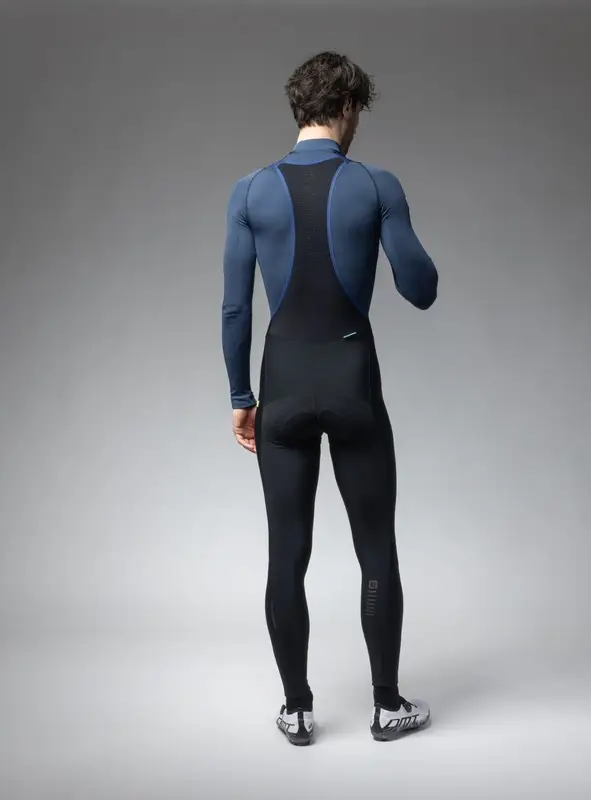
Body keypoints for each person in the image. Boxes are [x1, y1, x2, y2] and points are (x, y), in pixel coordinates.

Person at [221, 51, 438, 745]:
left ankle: (296, 709)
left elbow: (235, 309)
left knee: (286, 554)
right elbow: (421, 288)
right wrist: (389, 218)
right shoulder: (375, 185)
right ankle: (387, 706)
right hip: (353, 386)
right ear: (348, 109)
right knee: (376, 550)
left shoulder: (249, 191)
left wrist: (241, 394)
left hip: (280, 389)